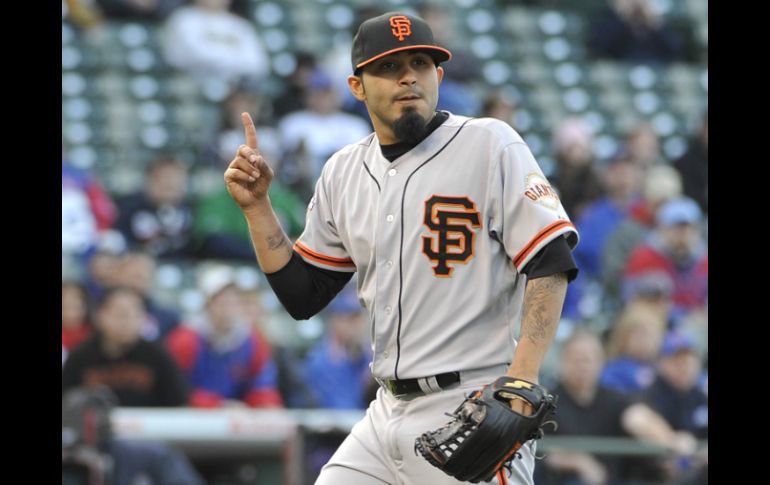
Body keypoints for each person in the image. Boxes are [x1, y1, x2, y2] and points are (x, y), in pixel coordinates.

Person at [224, 11, 579, 485]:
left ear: (440, 75)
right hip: (384, 410)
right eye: (389, 67)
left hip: (472, 399)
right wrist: (257, 210)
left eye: (421, 63)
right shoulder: (343, 170)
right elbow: (302, 295)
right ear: (357, 86)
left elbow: (550, 262)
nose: (409, 76)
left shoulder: (489, 143)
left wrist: (521, 378)